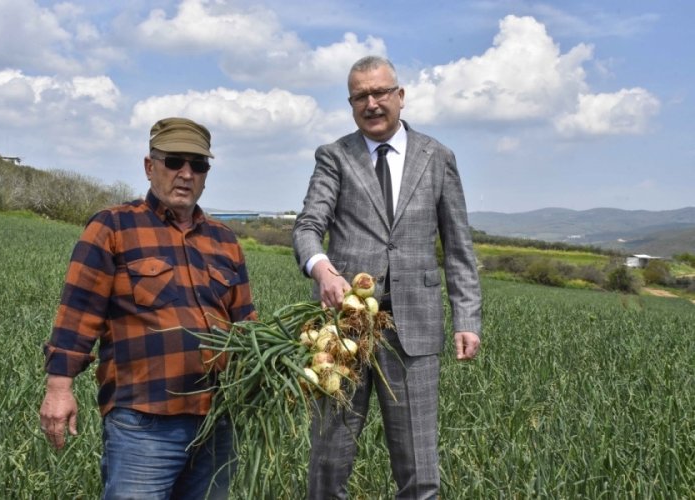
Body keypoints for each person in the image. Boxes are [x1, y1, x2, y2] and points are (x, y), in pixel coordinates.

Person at [292, 56, 482, 499]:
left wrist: (467, 318)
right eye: (361, 96)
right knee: (328, 462)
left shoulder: (438, 157)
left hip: (414, 332)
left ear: (400, 96)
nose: (372, 103)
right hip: (345, 331)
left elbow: (458, 246)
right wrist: (322, 268)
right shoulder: (335, 156)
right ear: (351, 103)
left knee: (420, 470)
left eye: (380, 93)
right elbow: (307, 227)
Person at [39, 117, 256, 499]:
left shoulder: (224, 240)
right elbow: (78, 311)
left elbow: (247, 325)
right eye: (175, 162)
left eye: (198, 165)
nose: (186, 174)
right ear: (149, 166)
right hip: (144, 422)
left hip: (218, 422)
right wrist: (59, 388)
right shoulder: (114, 226)